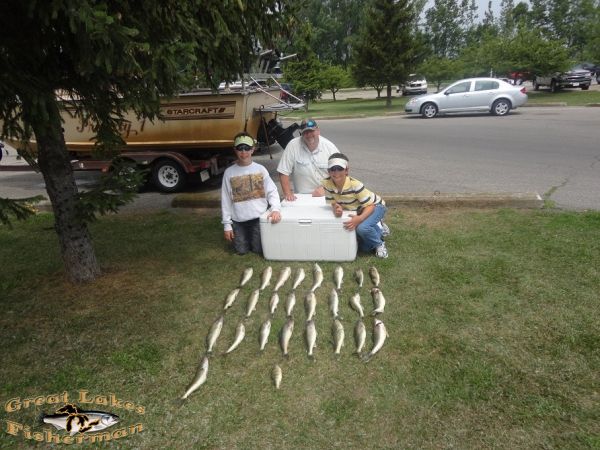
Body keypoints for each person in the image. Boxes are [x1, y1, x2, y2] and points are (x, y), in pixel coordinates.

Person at [221, 132, 282, 255]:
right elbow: (225, 199)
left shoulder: (260, 169)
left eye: (247, 148)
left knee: (258, 249)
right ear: (235, 150)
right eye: (240, 148)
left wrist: (275, 209)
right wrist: (227, 224)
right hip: (238, 220)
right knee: (241, 251)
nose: (244, 152)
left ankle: (254, 238)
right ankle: (241, 237)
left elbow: (272, 191)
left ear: (253, 149)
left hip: (258, 218)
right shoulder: (229, 172)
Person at [321, 153, 390, 258]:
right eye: (332, 169)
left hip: (376, 206)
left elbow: (370, 206)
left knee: (362, 229)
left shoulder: (355, 185)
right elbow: (333, 202)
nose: (336, 172)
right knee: (364, 248)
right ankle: (379, 229)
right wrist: (336, 208)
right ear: (328, 171)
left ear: (346, 170)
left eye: (340, 168)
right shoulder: (326, 183)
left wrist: (360, 219)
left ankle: (379, 244)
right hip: (360, 209)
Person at [277, 118, 339, 201]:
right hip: (301, 197)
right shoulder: (293, 145)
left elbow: (342, 174)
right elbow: (283, 171)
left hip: (327, 195)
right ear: (301, 133)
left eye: (311, 131)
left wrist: (326, 188)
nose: (309, 134)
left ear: (318, 131)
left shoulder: (330, 147)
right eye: (305, 132)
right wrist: (287, 193)